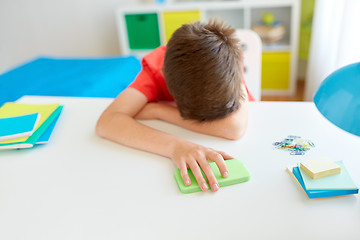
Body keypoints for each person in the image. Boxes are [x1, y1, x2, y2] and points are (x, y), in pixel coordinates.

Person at [96, 19, 255, 192]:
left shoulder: (228, 61)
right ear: (164, 74)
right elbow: (106, 122)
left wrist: (157, 111)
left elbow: (234, 128)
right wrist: (176, 146)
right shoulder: (155, 70)